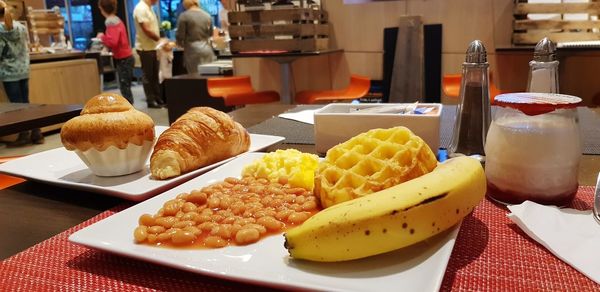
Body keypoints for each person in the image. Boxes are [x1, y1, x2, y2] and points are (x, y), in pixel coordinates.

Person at [0, 0, 44, 146]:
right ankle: (37, 133)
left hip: (9, 72)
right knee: (26, 103)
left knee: (16, 106)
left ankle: (24, 135)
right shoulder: (20, 27)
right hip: (23, 70)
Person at [97, 0, 135, 104]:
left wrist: (102, 37)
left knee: (125, 88)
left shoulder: (110, 21)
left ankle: (129, 112)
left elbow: (113, 42)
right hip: (126, 57)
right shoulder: (116, 19)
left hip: (124, 58)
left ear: (103, 9)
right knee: (126, 87)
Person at [133, 0, 165, 108]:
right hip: (145, 48)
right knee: (148, 75)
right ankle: (151, 100)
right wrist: (159, 39)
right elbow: (146, 29)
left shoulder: (149, 8)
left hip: (153, 47)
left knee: (155, 74)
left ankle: (158, 98)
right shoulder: (141, 8)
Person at [176, 0, 215, 74]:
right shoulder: (207, 15)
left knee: (195, 78)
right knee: (208, 76)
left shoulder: (184, 16)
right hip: (207, 50)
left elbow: (180, 36)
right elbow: (210, 34)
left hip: (192, 51)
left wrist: (179, 44)